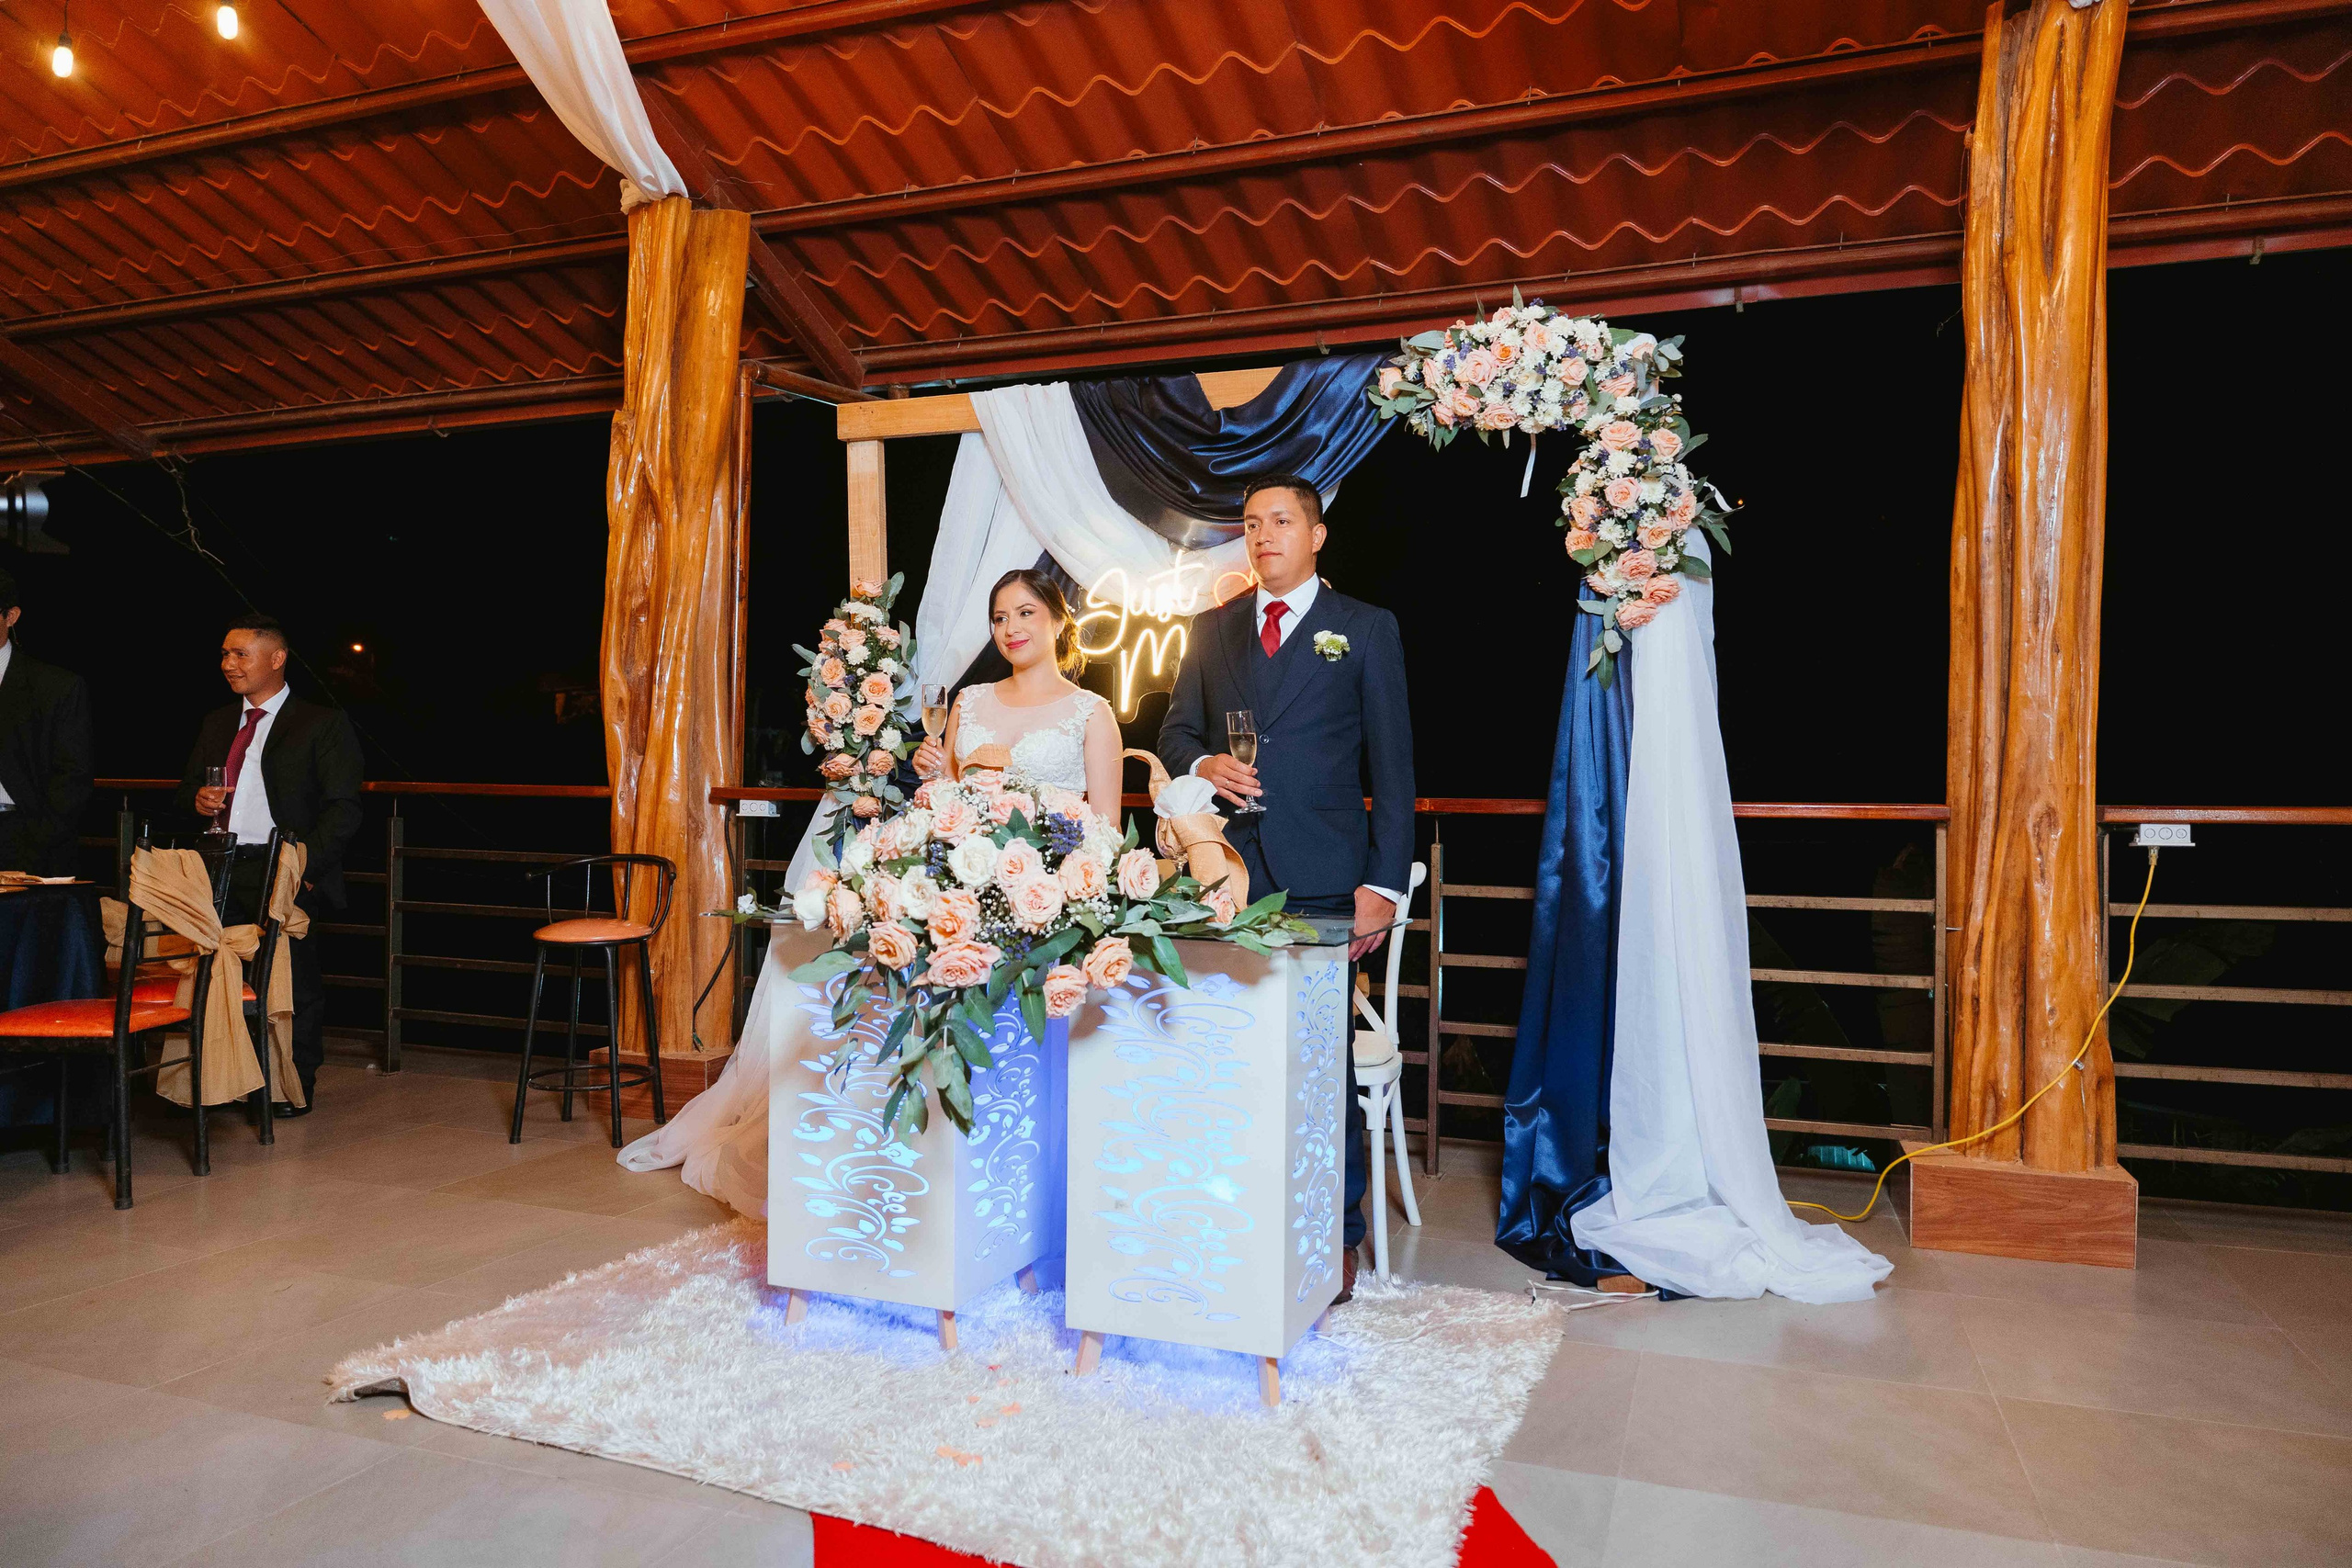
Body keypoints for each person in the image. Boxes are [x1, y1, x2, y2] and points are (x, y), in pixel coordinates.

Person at [1155, 473, 1414, 1305]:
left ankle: (1332, 1237)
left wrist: (1383, 882)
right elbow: (1174, 732)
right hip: (1224, 877)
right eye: (1251, 523)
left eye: (1279, 522)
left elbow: (1395, 771)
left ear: (1315, 535)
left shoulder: (1365, 630)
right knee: (1223, 1053)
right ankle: (1231, 1217)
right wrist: (1202, 764)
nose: (1263, 535)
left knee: (1317, 1066)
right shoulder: (1212, 628)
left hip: (1325, 881)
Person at [175, 615, 363, 1112]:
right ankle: (230, 1079)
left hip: (282, 867)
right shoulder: (217, 722)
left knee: (292, 984)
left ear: (277, 659)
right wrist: (196, 800)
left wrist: (304, 867)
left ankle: (290, 1087)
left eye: (240, 654)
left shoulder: (321, 723)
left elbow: (344, 808)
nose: (228, 664)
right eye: (224, 654)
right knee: (219, 980)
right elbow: (184, 791)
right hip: (218, 864)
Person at [910, 569, 1123, 813]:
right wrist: (932, 775)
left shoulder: (1092, 713)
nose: (1010, 629)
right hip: (971, 849)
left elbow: (1108, 827)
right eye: (1001, 618)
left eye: (1025, 613)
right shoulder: (967, 701)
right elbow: (951, 796)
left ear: (1058, 622)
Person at [0, 569, 95, 876]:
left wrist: (38, 838)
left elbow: (73, 775)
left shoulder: (56, 687)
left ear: (10, 616)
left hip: (25, 839)